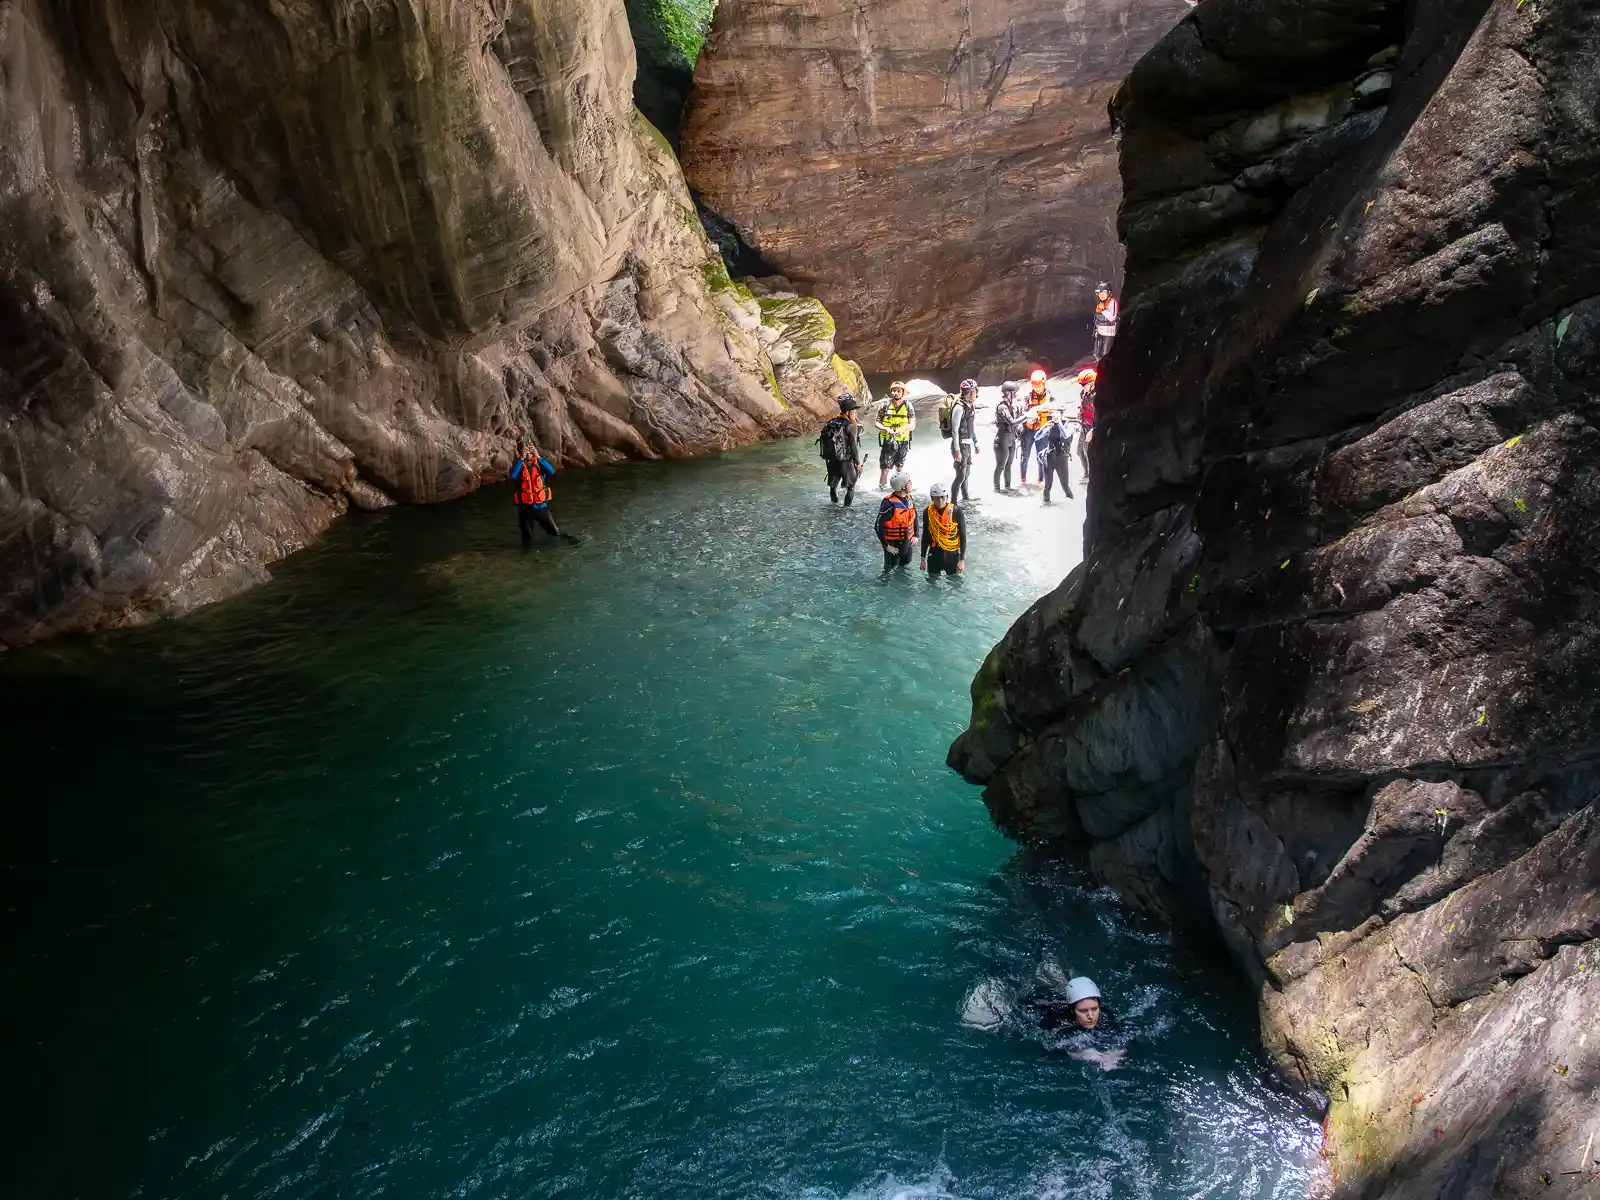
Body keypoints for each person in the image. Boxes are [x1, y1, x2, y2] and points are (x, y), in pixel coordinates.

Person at [1031, 976, 1125, 1071]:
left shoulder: (1106, 1015)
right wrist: (1091, 1056)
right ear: (1073, 1011)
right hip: (1042, 1003)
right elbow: (1056, 1050)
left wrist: (1114, 1053)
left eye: (1094, 1009)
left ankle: (1065, 983)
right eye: (1083, 1011)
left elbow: (1125, 1038)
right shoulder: (1059, 1023)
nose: (1091, 1016)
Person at [509, 439, 579, 546]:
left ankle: (571, 542)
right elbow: (513, 475)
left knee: (555, 532)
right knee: (527, 537)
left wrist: (538, 456)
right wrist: (522, 458)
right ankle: (525, 558)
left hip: (540, 507)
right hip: (525, 509)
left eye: (530, 450)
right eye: (525, 450)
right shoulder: (518, 466)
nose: (528, 453)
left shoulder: (539, 465)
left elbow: (551, 470)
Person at [819, 390, 867, 506]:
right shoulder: (851, 426)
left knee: (833, 486)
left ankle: (833, 505)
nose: (855, 412)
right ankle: (846, 510)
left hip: (832, 459)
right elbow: (854, 446)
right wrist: (858, 464)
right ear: (848, 412)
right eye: (854, 410)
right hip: (846, 460)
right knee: (851, 486)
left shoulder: (831, 422)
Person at [874, 381, 916, 489]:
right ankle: (881, 489)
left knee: (899, 468)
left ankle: (899, 489)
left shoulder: (908, 406)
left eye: (898, 391)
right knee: (885, 469)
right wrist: (885, 428)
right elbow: (877, 422)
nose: (896, 393)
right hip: (888, 441)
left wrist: (903, 428)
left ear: (903, 393)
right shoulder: (884, 406)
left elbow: (912, 424)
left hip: (903, 441)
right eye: (894, 391)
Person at [920, 481, 967, 577]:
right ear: (932, 498)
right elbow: (925, 536)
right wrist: (922, 558)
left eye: (943, 497)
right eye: (937, 498)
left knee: (955, 584)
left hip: (952, 555)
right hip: (934, 553)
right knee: (931, 583)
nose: (940, 500)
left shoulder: (956, 511)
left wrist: (961, 560)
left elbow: (963, 536)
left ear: (947, 497)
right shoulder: (928, 512)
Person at [874, 471, 918, 570]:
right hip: (893, 545)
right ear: (902, 486)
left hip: (907, 543)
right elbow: (877, 526)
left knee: (905, 567)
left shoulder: (909, 498)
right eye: (908, 482)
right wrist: (886, 546)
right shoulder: (888, 503)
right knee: (889, 570)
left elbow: (915, 517)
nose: (911, 483)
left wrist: (916, 535)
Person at [1019, 369, 1053, 487]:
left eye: (1039, 386)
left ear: (1044, 384)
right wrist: (1027, 415)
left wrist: (1035, 409)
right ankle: (1023, 480)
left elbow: (1048, 404)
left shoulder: (1048, 395)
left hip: (1042, 430)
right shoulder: (1028, 396)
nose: (1037, 388)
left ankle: (1040, 480)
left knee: (1041, 456)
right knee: (1025, 456)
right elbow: (1023, 409)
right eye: (1035, 386)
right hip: (1029, 429)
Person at [949, 379, 979, 503]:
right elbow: (954, 431)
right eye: (970, 392)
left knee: (966, 474)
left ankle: (966, 498)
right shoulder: (959, 407)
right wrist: (957, 450)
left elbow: (971, 426)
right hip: (960, 445)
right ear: (965, 393)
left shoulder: (970, 406)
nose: (973, 394)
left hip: (967, 444)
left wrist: (975, 441)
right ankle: (953, 502)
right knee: (960, 475)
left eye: (974, 391)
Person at [1036, 407, 1074, 503]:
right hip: (1049, 458)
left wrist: (1059, 423)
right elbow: (1036, 437)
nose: (1055, 417)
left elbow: (1066, 436)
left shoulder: (1067, 424)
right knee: (1048, 485)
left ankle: (1071, 503)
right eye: (1053, 415)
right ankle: (1046, 504)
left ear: (1062, 415)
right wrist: (1045, 426)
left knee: (1065, 485)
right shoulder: (1050, 426)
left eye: (1057, 415)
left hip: (1062, 458)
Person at [992, 381, 1023, 491]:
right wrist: (1026, 417)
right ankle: (997, 489)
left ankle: (1008, 487)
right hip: (1002, 440)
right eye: (1014, 393)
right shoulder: (1002, 408)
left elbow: (1016, 424)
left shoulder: (1012, 407)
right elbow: (1013, 422)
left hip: (1011, 439)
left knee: (1008, 466)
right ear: (1007, 393)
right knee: (1001, 466)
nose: (1015, 395)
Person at [1075, 367, 1098, 486]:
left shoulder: (1097, 397)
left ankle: (1091, 476)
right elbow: (1083, 409)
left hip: (1091, 428)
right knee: (1079, 451)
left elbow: (1101, 416)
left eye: (1083, 384)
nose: (1082, 387)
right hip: (1084, 426)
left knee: (1088, 452)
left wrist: (1094, 430)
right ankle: (1086, 473)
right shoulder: (1084, 395)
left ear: (1091, 383)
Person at [1092, 282, 1119, 361]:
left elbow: (1112, 317)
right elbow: (1097, 317)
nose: (1101, 295)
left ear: (1109, 293)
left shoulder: (1112, 302)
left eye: (1103, 292)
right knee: (1096, 353)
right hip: (1100, 331)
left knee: (1106, 353)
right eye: (1099, 293)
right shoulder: (1100, 303)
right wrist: (1096, 330)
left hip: (1109, 333)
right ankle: (1100, 366)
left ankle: (1106, 369)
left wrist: (1103, 309)